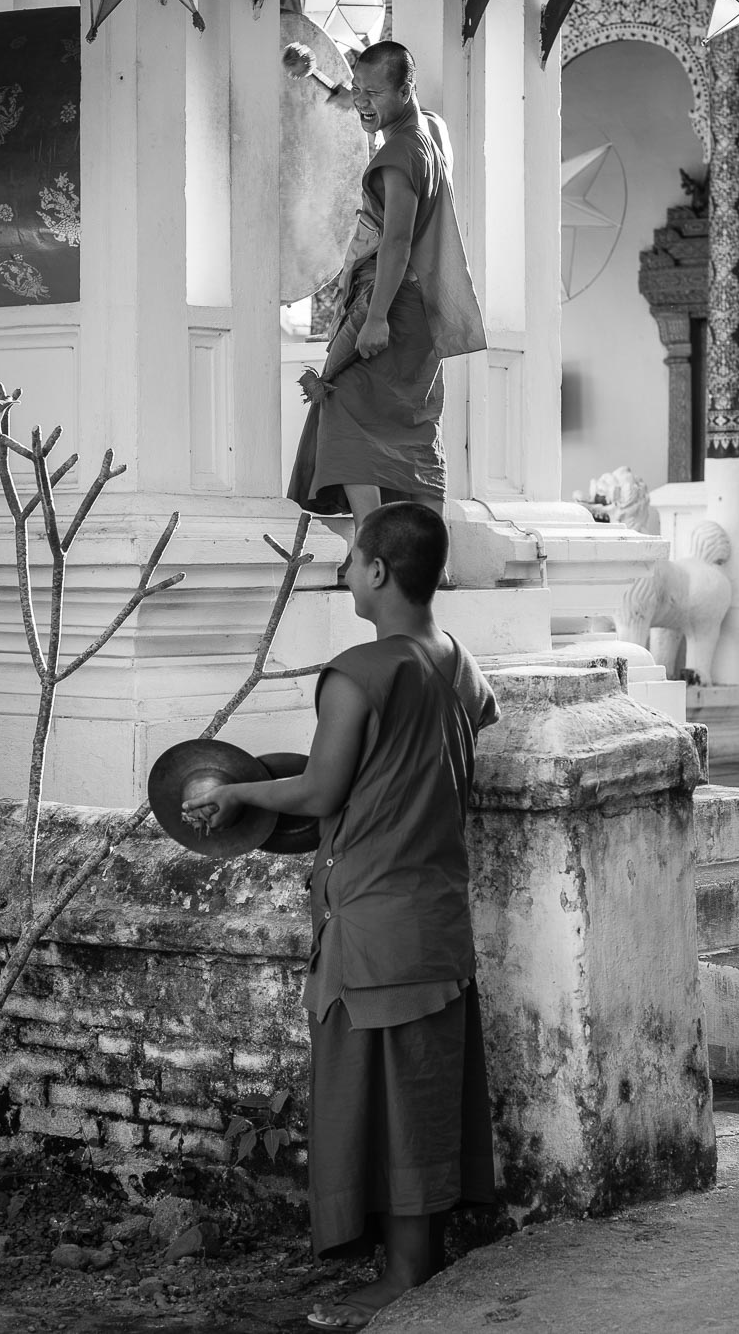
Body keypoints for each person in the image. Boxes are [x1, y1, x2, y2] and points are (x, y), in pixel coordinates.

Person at [183, 502, 499, 1330]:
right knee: (423, 1094)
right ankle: (419, 1259)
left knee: (381, 1100)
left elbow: (324, 791)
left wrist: (237, 790)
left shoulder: (359, 671)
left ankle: (402, 1279)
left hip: (371, 922)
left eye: (353, 560)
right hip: (434, 912)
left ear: (381, 572)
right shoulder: (459, 662)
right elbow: (397, 768)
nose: (345, 571)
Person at [287, 41, 487, 554]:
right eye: (359, 89)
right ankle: (431, 562)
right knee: (414, 423)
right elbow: (356, 101)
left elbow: (396, 240)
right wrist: (323, 82)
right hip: (425, 306)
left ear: (406, 89)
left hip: (391, 301)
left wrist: (374, 321)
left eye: (374, 92)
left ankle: (370, 550)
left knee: (341, 402)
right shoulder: (431, 131)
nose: (363, 102)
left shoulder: (398, 155)